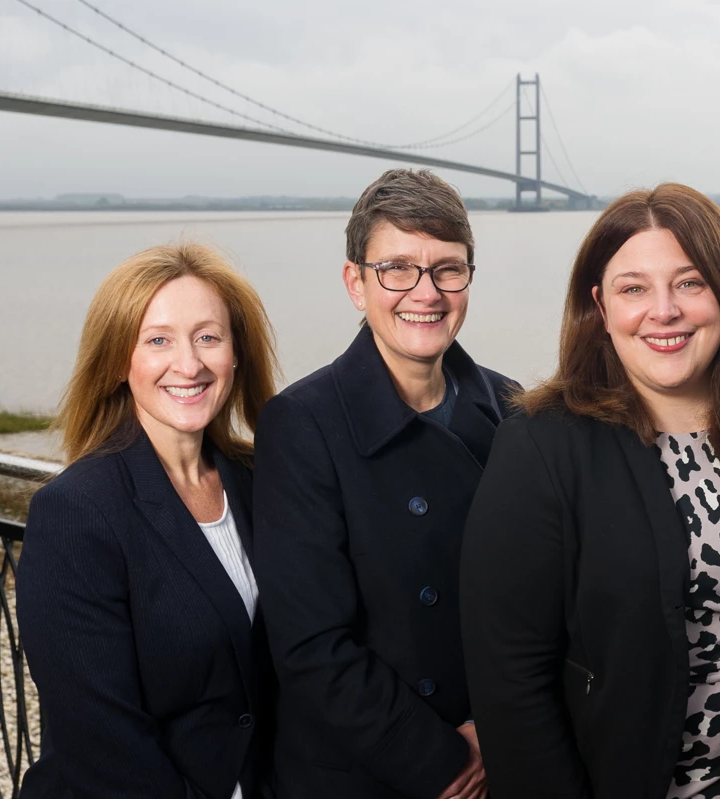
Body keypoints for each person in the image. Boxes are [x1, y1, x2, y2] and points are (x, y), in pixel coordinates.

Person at [460, 183, 720, 799]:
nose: (663, 310)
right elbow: (510, 683)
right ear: (600, 306)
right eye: (633, 288)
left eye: (690, 282)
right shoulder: (541, 449)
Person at [253, 168, 512, 799]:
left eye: (447, 268)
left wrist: (497, 732)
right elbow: (312, 647)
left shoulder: (514, 410)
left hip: (501, 756)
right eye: (396, 268)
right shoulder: (302, 423)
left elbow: (541, 605)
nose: (425, 292)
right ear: (355, 283)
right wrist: (447, 759)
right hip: (368, 774)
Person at [16, 243, 279, 798]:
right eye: (158, 340)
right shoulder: (76, 511)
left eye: (208, 337)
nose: (189, 364)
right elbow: (101, 740)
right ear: (118, 361)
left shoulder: (260, 481)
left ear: (236, 355)